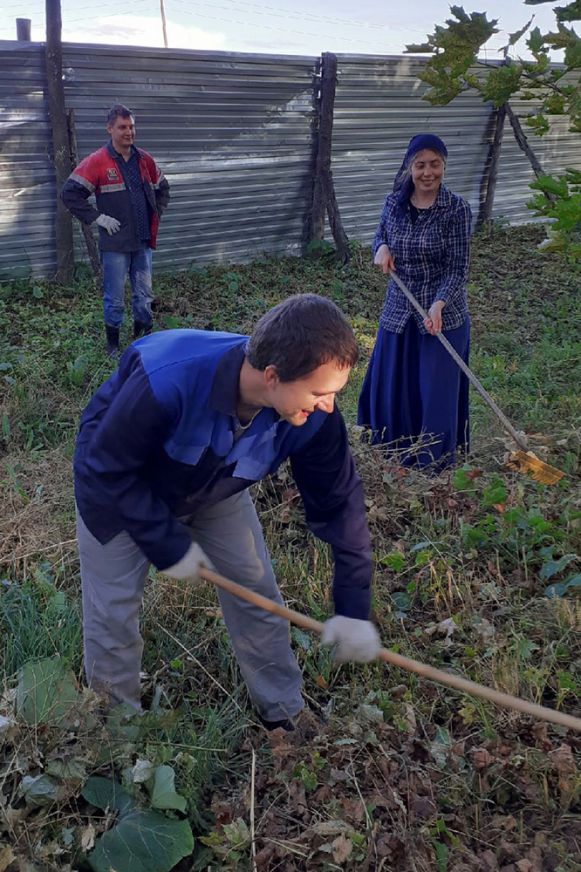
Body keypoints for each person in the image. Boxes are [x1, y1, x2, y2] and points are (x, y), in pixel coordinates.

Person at [74, 294, 380, 729]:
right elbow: (106, 467)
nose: (329, 405)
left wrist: (351, 609)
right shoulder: (166, 380)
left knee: (256, 592)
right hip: (119, 488)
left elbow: (341, 505)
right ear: (272, 376)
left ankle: (284, 713)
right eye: (319, 393)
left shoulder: (315, 417)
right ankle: (116, 732)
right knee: (114, 615)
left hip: (215, 487)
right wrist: (168, 544)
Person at [358, 133, 472, 471]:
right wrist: (380, 248)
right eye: (420, 164)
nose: (428, 172)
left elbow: (457, 269)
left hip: (441, 315)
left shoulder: (456, 209)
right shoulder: (394, 202)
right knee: (392, 386)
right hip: (398, 311)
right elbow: (380, 236)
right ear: (410, 167)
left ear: (443, 166)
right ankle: (391, 453)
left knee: (434, 393)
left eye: (435, 164)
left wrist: (438, 304)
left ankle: (431, 463)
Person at [61, 104, 170, 358]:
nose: (128, 132)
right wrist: (96, 217)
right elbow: (69, 193)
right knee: (115, 299)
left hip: (143, 242)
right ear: (110, 128)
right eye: (122, 127)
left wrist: (156, 213)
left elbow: (163, 188)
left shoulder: (145, 160)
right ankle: (112, 348)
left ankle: (142, 343)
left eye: (131, 126)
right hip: (115, 245)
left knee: (144, 296)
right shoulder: (98, 162)